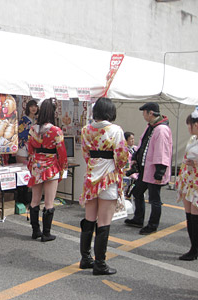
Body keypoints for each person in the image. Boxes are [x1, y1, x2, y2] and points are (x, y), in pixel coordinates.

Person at [78, 97, 128, 276]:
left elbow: (85, 153)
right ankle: (100, 264)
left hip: (90, 176)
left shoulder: (86, 130)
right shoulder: (115, 130)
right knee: (104, 222)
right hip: (108, 178)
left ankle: (85, 258)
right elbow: (122, 157)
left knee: (89, 219)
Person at [124, 102, 172, 235]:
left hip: (154, 170)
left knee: (154, 199)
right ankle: (138, 219)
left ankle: (152, 225)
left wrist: (159, 172)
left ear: (150, 113)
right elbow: (143, 144)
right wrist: (135, 155)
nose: (143, 115)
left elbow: (162, 152)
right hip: (146, 169)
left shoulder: (161, 129)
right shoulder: (152, 126)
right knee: (137, 193)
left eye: (144, 112)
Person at [27, 98, 68, 242]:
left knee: (34, 200)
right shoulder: (56, 131)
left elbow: (30, 148)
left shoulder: (33, 129)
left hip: (36, 165)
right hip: (51, 166)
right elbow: (62, 152)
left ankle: (35, 231)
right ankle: (46, 233)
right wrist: (63, 167)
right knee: (49, 202)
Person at [176, 109, 198, 261]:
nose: (188, 128)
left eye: (190, 125)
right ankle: (193, 247)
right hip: (189, 181)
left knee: (195, 216)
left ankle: (195, 249)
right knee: (190, 216)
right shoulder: (193, 139)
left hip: (195, 182)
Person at [16, 99, 38, 206]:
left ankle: (28, 198)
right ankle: (21, 198)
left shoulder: (37, 120)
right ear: (28, 108)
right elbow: (21, 134)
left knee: (29, 173)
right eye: (31, 106)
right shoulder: (24, 120)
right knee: (22, 172)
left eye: (35, 106)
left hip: (33, 149)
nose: (34, 108)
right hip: (23, 148)